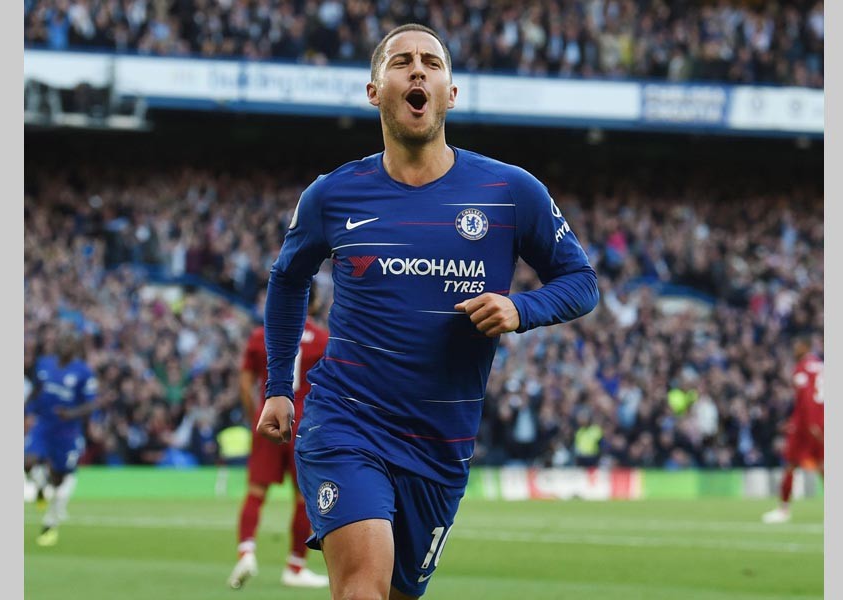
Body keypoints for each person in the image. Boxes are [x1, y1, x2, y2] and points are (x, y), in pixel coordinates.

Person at [256, 23, 599, 599]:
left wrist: (520, 308)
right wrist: (278, 387)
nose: (418, 69)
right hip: (347, 421)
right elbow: (287, 279)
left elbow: (581, 281)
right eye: (401, 61)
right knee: (361, 588)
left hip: (440, 445)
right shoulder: (332, 195)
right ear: (374, 91)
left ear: (451, 93)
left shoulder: (510, 192)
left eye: (432, 62)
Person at [228, 284, 330, 589]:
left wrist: (255, 416)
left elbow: (244, 382)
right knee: (304, 496)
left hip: (269, 417)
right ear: (314, 305)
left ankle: (246, 552)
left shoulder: (262, 335)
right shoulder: (323, 340)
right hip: (306, 423)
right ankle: (295, 566)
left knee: (256, 491)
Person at [24, 330, 98, 546]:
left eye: (69, 341)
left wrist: (71, 413)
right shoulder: (44, 364)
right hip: (43, 425)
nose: (65, 345)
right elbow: (37, 389)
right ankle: (40, 485)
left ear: (75, 347)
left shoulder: (84, 372)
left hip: (67, 431)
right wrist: (26, 409)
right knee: (27, 462)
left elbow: (91, 404)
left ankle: (50, 522)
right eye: (62, 341)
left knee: (59, 478)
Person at [763, 336, 824, 524]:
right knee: (822, 466)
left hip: (806, 425)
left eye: (797, 346)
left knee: (791, 463)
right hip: (822, 420)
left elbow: (806, 397)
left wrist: (810, 423)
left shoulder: (802, 367)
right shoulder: (821, 365)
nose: (794, 349)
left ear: (805, 346)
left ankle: (783, 509)